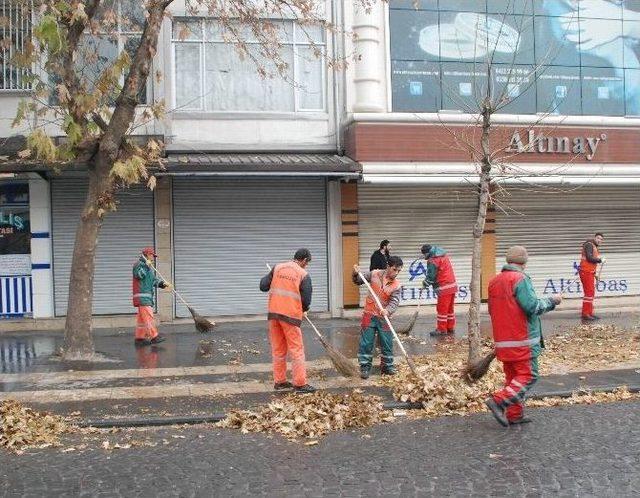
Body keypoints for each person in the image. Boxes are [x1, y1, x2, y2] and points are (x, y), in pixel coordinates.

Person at [485, 246, 562, 427]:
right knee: (529, 376)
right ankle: (498, 401)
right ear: (524, 262)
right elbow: (533, 307)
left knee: (513, 378)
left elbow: (491, 310)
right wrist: (552, 301)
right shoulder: (520, 279)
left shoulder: (494, 281)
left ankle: (515, 414)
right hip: (523, 340)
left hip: (503, 340)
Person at [260, 248, 316, 394]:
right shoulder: (303, 274)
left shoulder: (277, 268)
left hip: (273, 315)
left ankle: (280, 381)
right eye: (307, 262)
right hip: (290, 316)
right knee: (296, 350)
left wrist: (274, 277)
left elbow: (263, 286)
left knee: (278, 349)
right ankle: (300, 383)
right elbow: (306, 298)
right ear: (304, 260)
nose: (307, 265)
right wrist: (304, 309)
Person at [352, 256, 403, 379]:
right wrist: (354, 273)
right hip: (369, 314)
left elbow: (394, 302)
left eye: (399, 271)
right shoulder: (374, 274)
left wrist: (388, 310)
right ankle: (364, 367)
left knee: (387, 342)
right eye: (394, 269)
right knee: (366, 342)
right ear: (388, 266)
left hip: (384, 317)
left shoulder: (396, 285)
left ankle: (387, 367)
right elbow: (358, 280)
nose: (396, 273)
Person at [132, 247, 170, 347]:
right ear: (147, 255)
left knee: (142, 320)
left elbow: (153, 281)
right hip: (142, 297)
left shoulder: (149, 267)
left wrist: (163, 284)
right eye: (152, 256)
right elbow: (138, 275)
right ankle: (154, 336)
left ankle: (139, 338)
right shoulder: (139, 265)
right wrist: (146, 266)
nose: (153, 258)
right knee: (149, 317)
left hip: (146, 297)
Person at [421, 244, 458, 337]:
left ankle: (441, 329)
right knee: (449, 309)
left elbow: (431, 276)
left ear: (427, 253)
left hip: (444, 287)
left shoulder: (433, 260)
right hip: (452, 285)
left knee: (442, 309)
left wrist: (425, 284)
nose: (424, 257)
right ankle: (450, 327)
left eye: (424, 255)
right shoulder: (444, 255)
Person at [578, 232, 605, 322]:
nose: (599, 240)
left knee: (590, 293)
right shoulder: (589, 245)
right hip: (585, 272)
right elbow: (589, 258)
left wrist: (595, 274)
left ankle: (589, 313)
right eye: (598, 238)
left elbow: (591, 263)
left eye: (601, 239)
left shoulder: (593, 246)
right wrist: (600, 260)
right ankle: (586, 314)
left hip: (589, 272)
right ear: (595, 238)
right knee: (589, 293)